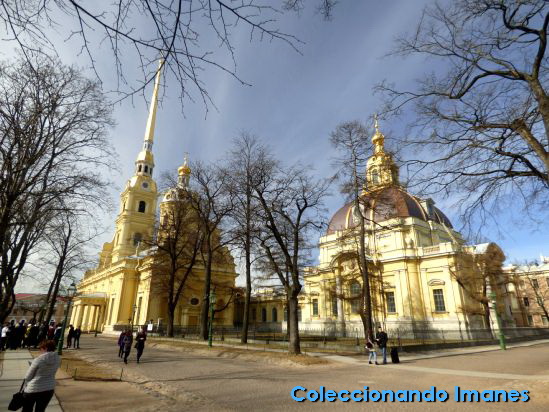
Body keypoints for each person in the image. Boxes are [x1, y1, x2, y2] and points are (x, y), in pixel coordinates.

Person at [22, 339, 61, 412]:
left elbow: (27, 377)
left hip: (33, 389)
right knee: (40, 410)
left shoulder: (38, 360)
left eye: (40, 348)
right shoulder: (58, 358)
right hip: (48, 388)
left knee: (27, 409)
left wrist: (32, 367)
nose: (40, 350)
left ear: (45, 348)